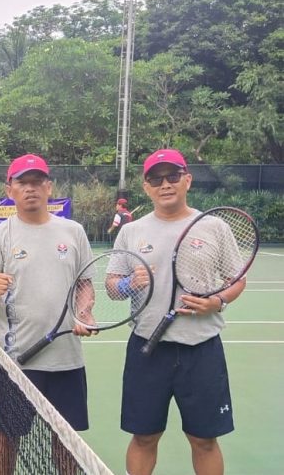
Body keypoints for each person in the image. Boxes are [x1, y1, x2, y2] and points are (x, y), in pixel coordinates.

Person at [113, 149, 247, 475]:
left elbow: (237, 280)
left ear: (187, 180)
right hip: (147, 348)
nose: (165, 184)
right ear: (146, 187)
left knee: (204, 440)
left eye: (173, 176)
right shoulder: (132, 231)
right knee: (144, 437)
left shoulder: (214, 227)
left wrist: (218, 302)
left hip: (201, 348)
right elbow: (113, 287)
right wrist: (129, 283)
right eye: (156, 179)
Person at [0, 154, 96, 475]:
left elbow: (85, 284)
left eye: (37, 182)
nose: (30, 188)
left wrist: (85, 313)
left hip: (67, 360)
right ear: (9, 190)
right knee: (7, 436)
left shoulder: (73, 232)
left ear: (48, 187)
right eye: (22, 183)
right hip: (16, 362)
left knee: (65, 440)